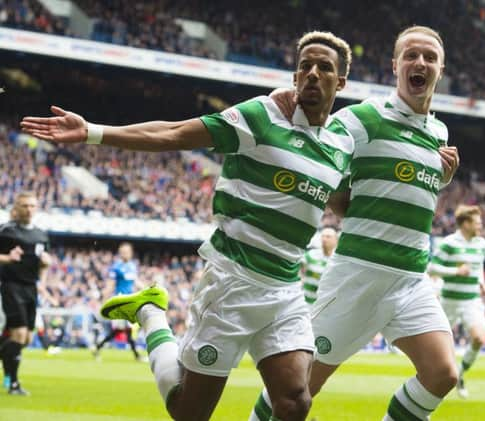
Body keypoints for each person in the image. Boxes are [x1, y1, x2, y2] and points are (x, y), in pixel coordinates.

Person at [21, 31, 353, 421]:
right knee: (188, 411)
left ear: (341, 82)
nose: (312, 73)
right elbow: (174, 133)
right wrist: (94, 132)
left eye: (324, 68)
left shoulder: (341, 145)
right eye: (304, 66)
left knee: (295, 401)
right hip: (233, 282)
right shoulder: (262, 116)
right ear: (295, 76)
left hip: (284, 289)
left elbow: (345, 203)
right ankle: (150, 314)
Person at [252, 25, 460, 421]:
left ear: (441, 68)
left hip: (410, 279)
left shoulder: (438, 131)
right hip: (358, 276)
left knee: (442, 373)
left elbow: (407, 188)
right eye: (412, 56)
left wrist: (441, 178)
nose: (421, 63)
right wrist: (289, 106)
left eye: (430, 57)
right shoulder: (364, 118)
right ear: (395, 65)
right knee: (298, 389)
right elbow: (317, 144)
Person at [427, 205, 485, 399]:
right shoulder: (449, 243)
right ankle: (433, 379)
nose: (481, 225)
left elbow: (478, 267)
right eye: (477, 222)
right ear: (466, 223)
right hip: (450, 301)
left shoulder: (480, 244)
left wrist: (482, 282)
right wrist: (455, 271)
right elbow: (431, 268)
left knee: (479, 338)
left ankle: (460, 373)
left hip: (472, 300)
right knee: (437, 347)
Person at [0, 191, 51, 395]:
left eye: (32, 206)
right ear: (17, 208)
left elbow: (44, 264)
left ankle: (8, 362)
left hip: (31, 288)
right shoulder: (6, 232)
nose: (28, 209)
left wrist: (43, 277)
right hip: (10, 285)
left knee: (27, 339)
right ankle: (13, 384)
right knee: (18, 334)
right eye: (24, 206)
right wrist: (7, 257)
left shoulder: (41, 235)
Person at [93, 242, 145, 361]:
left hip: (130, 301)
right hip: (120, 301)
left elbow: (136, 281)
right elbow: (110, 285)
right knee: (126, 329)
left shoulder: (132, 265)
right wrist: (103, 299)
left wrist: (147, 289)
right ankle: (137, 355)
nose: (125, 254)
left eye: (127, 251)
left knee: (121, 330)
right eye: (123, 252)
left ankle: (98, 347)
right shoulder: (116, 267)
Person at [301, 226, 338, 305]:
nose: (324, 239)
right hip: (304, 301)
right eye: (323, 236)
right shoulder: (310, 255)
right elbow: (300, 274)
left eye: (328, 237)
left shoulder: (336, 261)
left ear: (336, 240)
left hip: (321, 302)